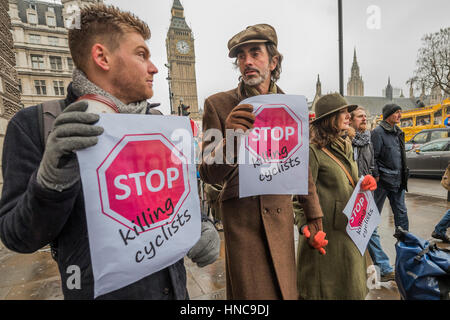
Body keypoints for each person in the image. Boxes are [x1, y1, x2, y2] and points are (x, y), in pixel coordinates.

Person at [0, 3, 219, 300]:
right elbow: (18, 236)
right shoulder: (34, 126)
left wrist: (200, 226)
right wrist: (50, 181)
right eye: (141, 55)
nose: (154, 67)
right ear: (102, 56)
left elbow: (181, 199)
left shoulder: (159, 125)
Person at [199, 24, 324, 299]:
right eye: (241, 56)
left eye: (255, 53)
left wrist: (314, 215)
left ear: (274, 60)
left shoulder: (290, 106)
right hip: (243, 222)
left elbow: (300, 164)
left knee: (284, 291)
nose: (247, 62)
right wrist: (230, 139)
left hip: (279, 218)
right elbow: (207, 172)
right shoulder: (218, 104)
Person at [297, 93, 375, 300]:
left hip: (350, 230)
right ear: (329, 119)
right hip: (327, 237)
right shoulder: (313, 151)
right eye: (342, 112)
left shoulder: (346, 145)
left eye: (347, 111)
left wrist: (364, 182)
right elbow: (298, 197)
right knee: (330, 290)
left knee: (352, 287)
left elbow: (351, 179)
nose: (348, 115)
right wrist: (307, 228)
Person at [350, 107, 395, 282]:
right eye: (360, 116)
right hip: (350, 191)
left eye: (365, 116)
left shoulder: (368, 139)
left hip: (364, 191)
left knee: (369, 227)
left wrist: (373, 176)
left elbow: (371, 161)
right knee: (360, 230)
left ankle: (383, 268)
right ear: (351, 119)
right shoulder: (346, 139)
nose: (364, 119)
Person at [371, 104, 409, 232]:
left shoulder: (398, 131)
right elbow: (373, 158)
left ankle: (405, 243)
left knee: (402, 213)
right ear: (388, 115)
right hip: (382, 181)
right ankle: (368, 241)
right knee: (373, 214)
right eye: (397, 112)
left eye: (400, 112)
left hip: (398, 180)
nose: (400, 115)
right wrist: (376, 176)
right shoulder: (377, 132)